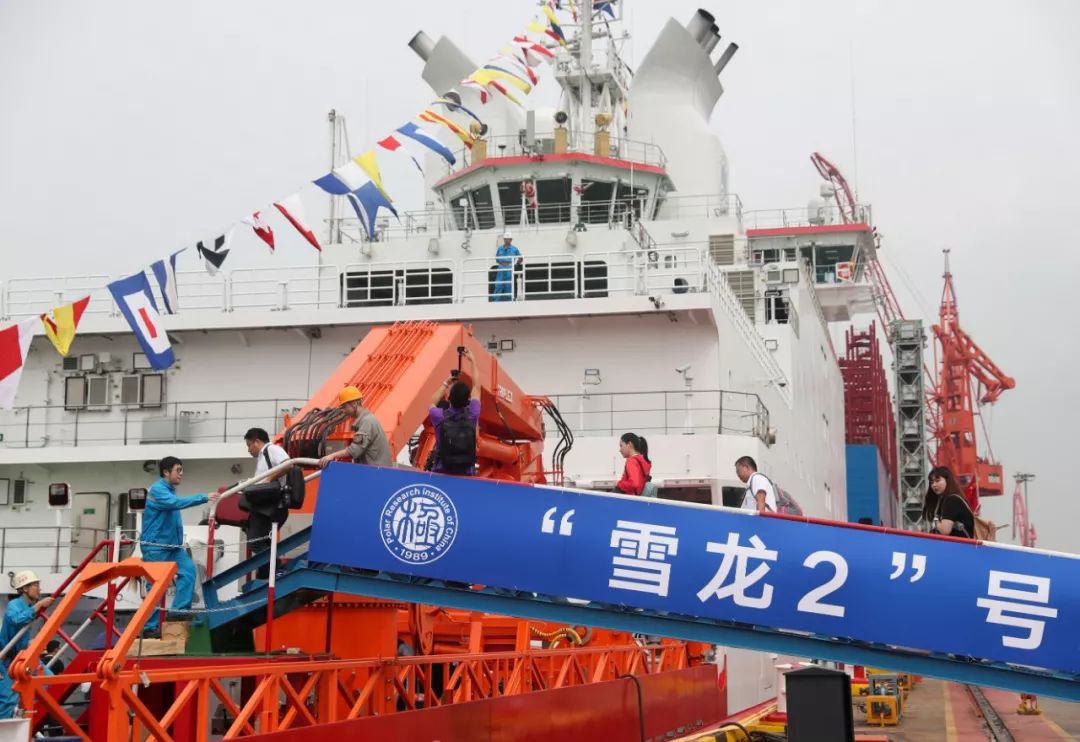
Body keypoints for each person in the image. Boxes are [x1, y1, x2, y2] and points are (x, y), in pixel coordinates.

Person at [141, 457, 220, 637]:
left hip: (173, 547)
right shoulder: (158, 491)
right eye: (178, 470)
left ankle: (178, 612)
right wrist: (204, 497)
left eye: (182, 470)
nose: (181, 474)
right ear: (166, 472)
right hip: (156, 548)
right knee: (156, 588)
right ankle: (149, 628)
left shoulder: (169, 490)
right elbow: (176, 504)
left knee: (189, 572)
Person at [0, 571, 55, 718]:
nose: (40, 589)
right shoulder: (14, 605)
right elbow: (17, 620)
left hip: (23, 657)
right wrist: (39, 605)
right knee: (7, 699)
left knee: (49, 680)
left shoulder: (28, 607)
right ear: (25, 589)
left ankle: (25, 709)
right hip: (6, 660)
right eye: (36, 585)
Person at [242, 427, 290, 579]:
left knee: (255, 542)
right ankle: (266, 573)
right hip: (264, 506)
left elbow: (288, 464)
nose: (249, 450)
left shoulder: (272, 449)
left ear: (257, 441)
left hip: (271, 506)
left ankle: (275, 571)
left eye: (249, 445)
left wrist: (269, 479)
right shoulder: (262, 458)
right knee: (263, 541)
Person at [428, 349, 481, 475]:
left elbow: (432, 402)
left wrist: (447, 382)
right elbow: (477, 387)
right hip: (466, 473)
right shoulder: (473, 414)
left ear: (448, 398)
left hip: (442, 472)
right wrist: (472, 361)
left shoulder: (439, 416)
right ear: (468, 400)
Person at [318, 386, 394, 468]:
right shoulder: (365, 420)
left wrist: (332, 456)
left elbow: (355, 449)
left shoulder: (367, 421)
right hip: (375, 473)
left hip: (376, 475)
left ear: (354, 404)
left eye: (344, 407)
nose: (343, 411)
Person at [922, 465, 974, 539]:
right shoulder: (948, 500)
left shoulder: (952, 500)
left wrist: (935, 521)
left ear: (947, 480)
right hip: (960, 546)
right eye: (932, 482)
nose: (934, 485)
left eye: (937, 480)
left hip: (960, 547)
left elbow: (945, 530)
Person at [492, 232, 521, 302]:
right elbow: (497, 258)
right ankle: (495, 301)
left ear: (511, 240)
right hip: (501, 268)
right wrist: (502, 263)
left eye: (509, 239)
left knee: (509, 286)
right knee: (498, 285)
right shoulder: (500, 248)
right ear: (504, 240)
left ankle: (508, 301)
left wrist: (516, 264)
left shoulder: (514, 249)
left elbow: (520, 257)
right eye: (506, 239)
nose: (507, 240)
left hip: (509, 268)